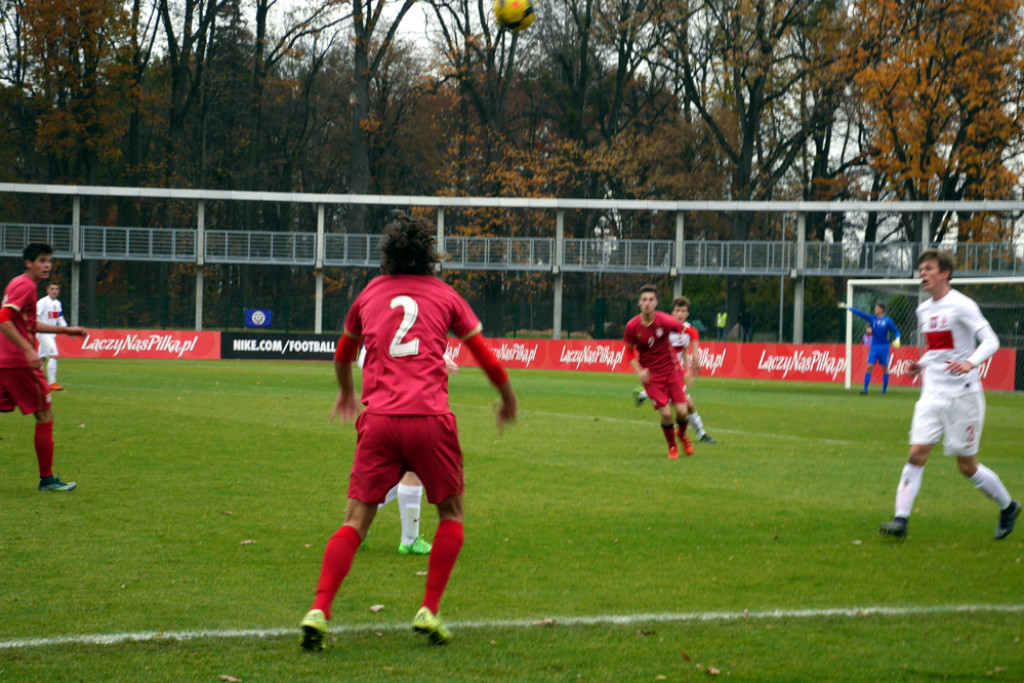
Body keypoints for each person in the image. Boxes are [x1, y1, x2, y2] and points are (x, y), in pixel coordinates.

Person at [299, 214, 517, 651]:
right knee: (451, 514)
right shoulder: (445, 295)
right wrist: (508, 400)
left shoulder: (369, 294)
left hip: (378, 420)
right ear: (430, 257)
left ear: (388, 255)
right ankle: (429, 609)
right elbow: (488, 358)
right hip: (430, 420)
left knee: (355, 521)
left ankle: (320, 609)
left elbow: (343, 355)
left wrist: (346, 393)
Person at [879, 249, 1019, 540]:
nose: (923, 274)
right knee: (917, 453)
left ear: (945, 274)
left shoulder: (962, 305)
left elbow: (990, 340)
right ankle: (900, 520)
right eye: (921, 269)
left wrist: (970, 362)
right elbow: (939, 349)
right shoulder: (923, 310)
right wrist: (921, 364)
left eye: (929, 269)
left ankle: (1008, 507)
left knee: (967, 466)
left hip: (963, 397)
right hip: (932, 393)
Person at [0, 243, 88, 491]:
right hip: (20, 365)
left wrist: (65, 329)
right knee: (44, 414)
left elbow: (26, 324)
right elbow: (3, 318)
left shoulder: (18, 283)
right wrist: (28, 350)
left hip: (4, 361)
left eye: (49, 260)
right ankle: (47, 480)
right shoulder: (26, 286)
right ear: (28, 262)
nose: (47, 265)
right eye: (41, 260)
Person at [358, 347, 461, 556]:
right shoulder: (403, 321)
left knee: (409, 472)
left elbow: (366, 358)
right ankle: (409, 540)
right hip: (406, 406)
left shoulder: (382, 322)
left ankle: (358, 523)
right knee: (415, 470)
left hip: (384, 410)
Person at [633, 297, 716, 445]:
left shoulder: (686, 330)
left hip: (674, 374)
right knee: (686, 405)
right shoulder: (664, 328)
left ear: (687, 314)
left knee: (688, 405)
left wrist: (688, 370)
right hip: (660, 372)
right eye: (677, 310)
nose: (680, 314)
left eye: (683, 311)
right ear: (672, 312)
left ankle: (644, 393)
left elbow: (685, 348)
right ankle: (700, 433)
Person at [623, 285, 691, 459]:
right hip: (651, 376)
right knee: (667, 414)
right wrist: (639, 371)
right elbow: (629, 351)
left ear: (656, 303)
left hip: (672, 370)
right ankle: (672, 447)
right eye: (644, 299)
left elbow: (691, 331)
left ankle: (682, 435)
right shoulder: (632, 326)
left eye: (651, 300)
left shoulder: (665, 321)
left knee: (683, 412)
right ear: (639, 302)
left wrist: (692, 360)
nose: (647, 303)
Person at [838, 300, 901, 395]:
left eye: (877, 308)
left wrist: (897, 339)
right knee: (869, 366)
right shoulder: (872, 319)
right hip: (874, 346)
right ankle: (865, 389)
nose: (875, 309)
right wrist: (847, 307)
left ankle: (884, 391)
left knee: (885, 368)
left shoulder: (887, 320)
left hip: (884, 347)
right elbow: (859, 313)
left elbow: (896, 331)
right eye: (875, 307)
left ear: (881, 309)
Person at [36, 283, 69, 391]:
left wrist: (67, 329)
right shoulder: (43, 302)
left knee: (41, 359)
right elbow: (35, 315)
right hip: (43, 333)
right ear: (47, 290)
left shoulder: (57, 303)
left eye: (56, 289)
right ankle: (52, 383)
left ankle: (34, 380)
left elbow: (59, 318)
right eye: (52, 289)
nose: (54, 291)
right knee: (54, 355)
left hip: (51, 334)